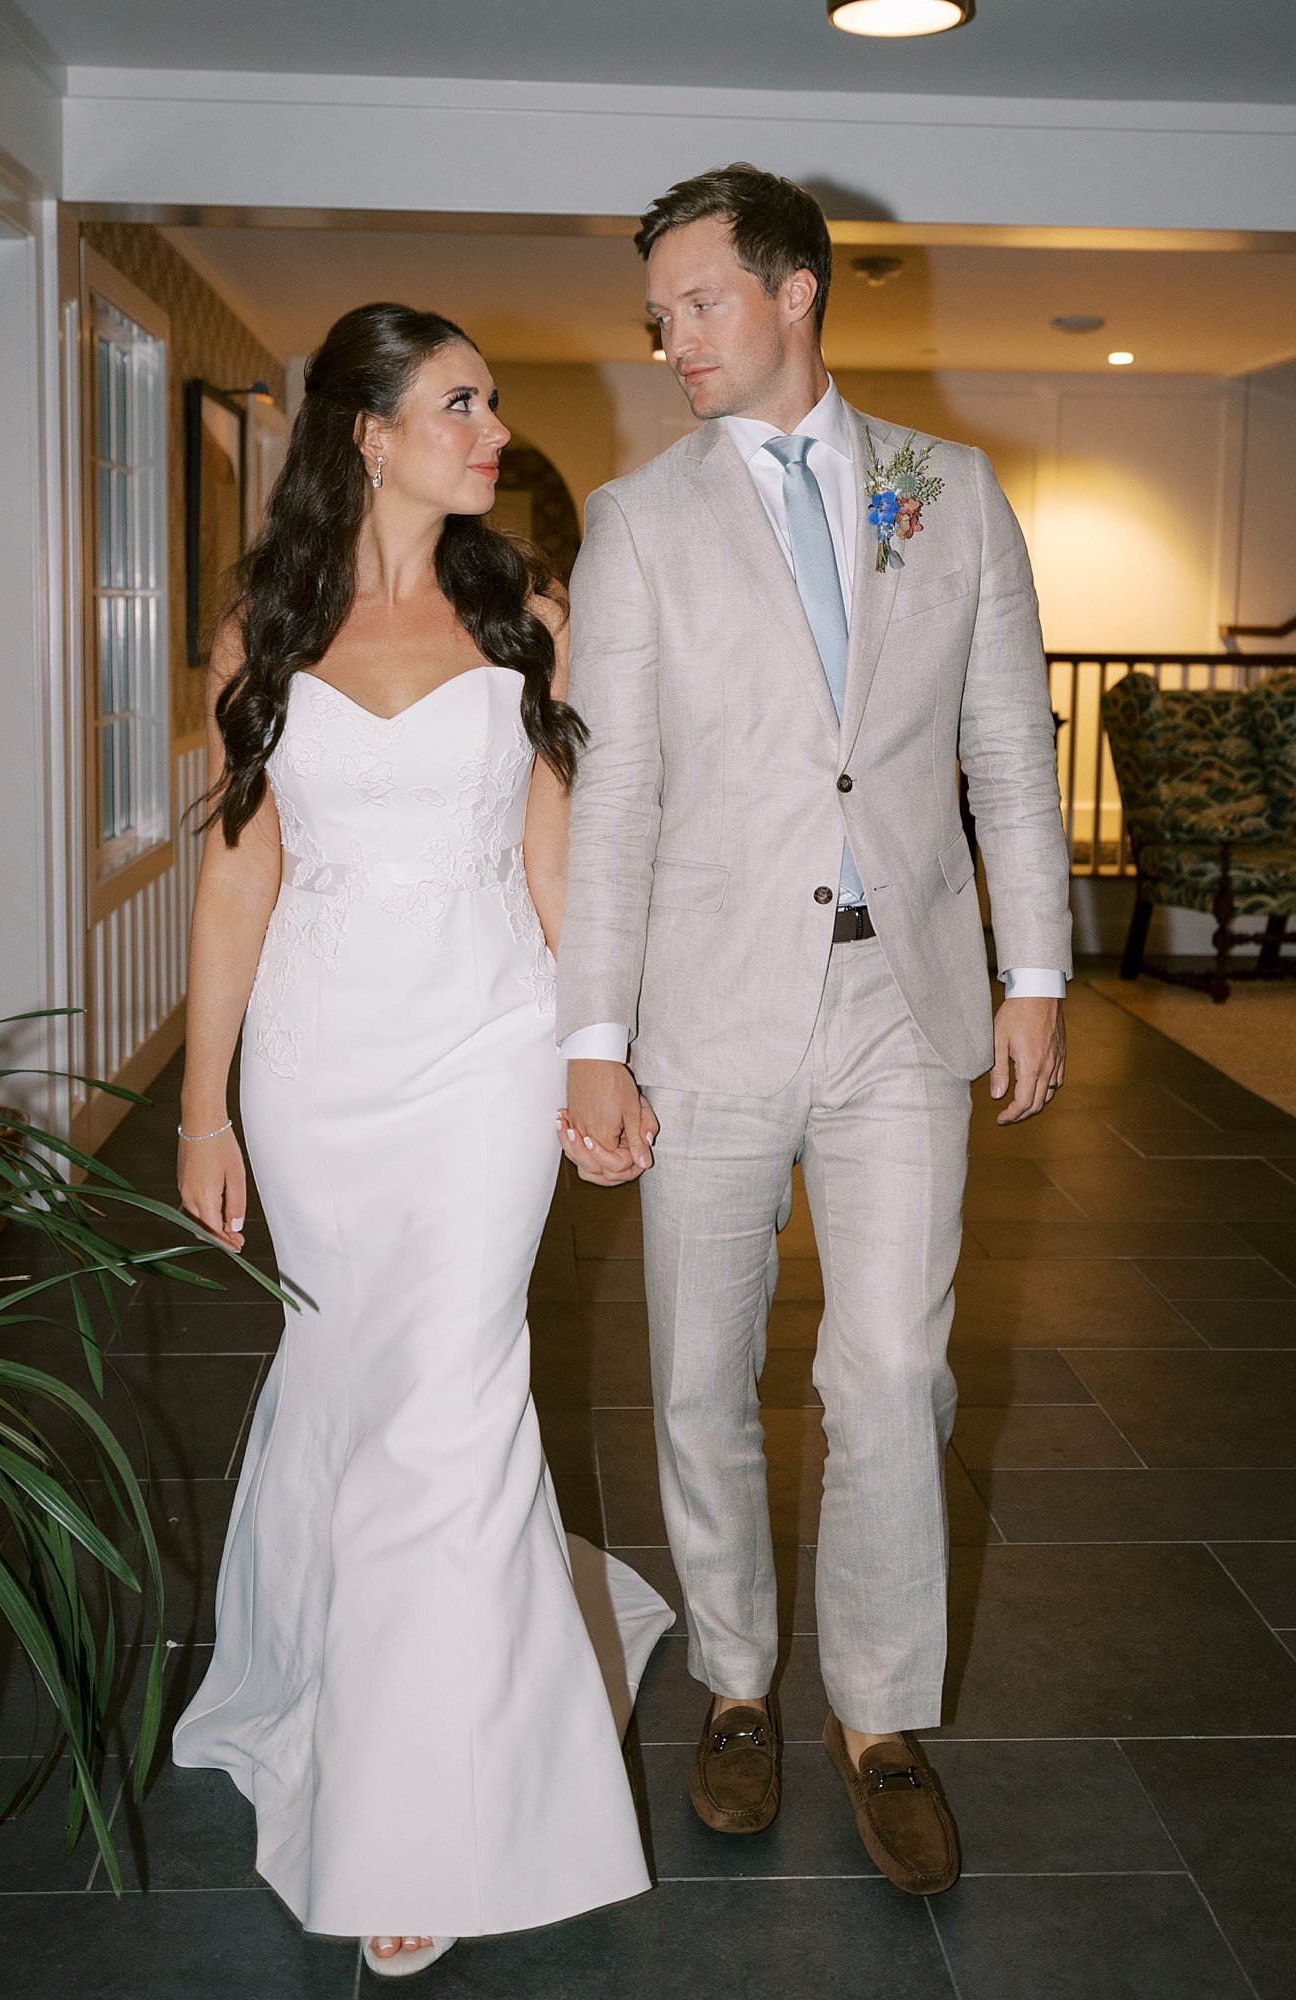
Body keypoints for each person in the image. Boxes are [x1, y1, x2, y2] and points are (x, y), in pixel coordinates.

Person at [555, 165, 1071, 1896]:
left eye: (698, 302)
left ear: (793, 293)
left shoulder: (952, 491)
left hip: (900, 998)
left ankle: (879, 1711)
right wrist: (596, 1036)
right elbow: (614, 794)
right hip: (702, 1008)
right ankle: (737, 1683)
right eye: (660, 316)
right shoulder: (636, 523)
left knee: (891, 1373)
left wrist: (1038, 975)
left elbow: (1007, 749)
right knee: (699, 1376)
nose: (673, 339)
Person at [171, 302, 672, 1978]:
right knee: (354, 1387)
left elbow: (556, 862)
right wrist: (202, 1106)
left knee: (455, 1404)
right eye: (459, 404)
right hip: (318, 1068)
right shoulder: (263, 630)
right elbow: (240, 874)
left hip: (484, 1048)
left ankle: (414, 1818)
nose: (492, 429)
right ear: (369, 435)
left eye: (493, 404)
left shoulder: (527, 614)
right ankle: (330, 1672)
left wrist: (597, 1061)